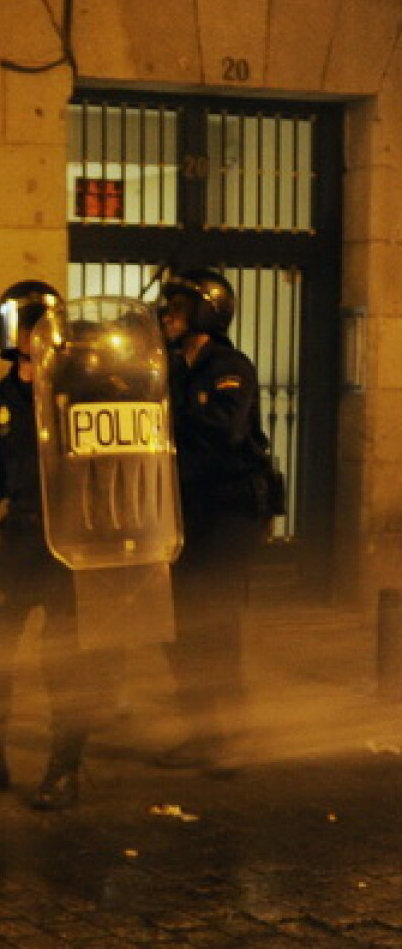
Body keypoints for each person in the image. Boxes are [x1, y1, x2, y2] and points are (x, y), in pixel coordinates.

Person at [0, 280, 120, 810]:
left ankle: (64, 772)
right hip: (19, 538)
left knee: (63, 663)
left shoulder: (83, 389)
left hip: (71, 543)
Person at [156, 267, 280, 773]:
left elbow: (223, 429)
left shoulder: (230, 366)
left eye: (179, 307)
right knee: (182, 626)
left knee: (216, 624)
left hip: (229, 511)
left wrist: (164, 414)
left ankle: (230, 733)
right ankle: (199, 730)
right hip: (187, 509)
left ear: (207, 312)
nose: (168, 315)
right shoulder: (168, 367)